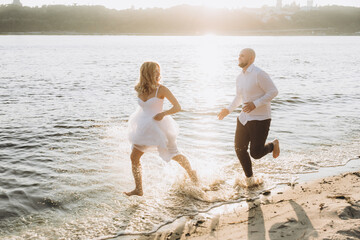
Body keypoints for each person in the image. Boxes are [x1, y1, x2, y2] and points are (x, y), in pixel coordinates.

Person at [125, 61, 198, 196]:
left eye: (159, 71)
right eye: (155, 71)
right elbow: (144, 108)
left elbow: (177, 107)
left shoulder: (162, 89)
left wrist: (163, 114)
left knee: (174, 154)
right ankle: (139, 189)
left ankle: (192, 174)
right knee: (134, 157)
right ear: (146, 73)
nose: (158, 74)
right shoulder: (139, 88)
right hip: (143, 127)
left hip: (160, 126)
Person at [217, 48, 280, 187]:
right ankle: (250, 180)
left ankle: (273, 145)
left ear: (251, 58)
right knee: (239, 149)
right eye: (238, 55)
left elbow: (273, 91)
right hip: (244, 118)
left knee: (256, 154)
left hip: (260, 118)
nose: (239, 57)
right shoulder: (240, 77)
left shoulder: (259, 74)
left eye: (242, 55)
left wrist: (255, 104)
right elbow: (239, 97)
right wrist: (228, 109)